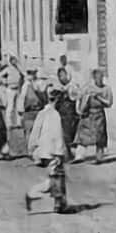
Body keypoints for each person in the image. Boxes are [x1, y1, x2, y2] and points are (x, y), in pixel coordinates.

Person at [24, 87, 74, 215]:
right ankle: (58, 203)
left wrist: (32, 148)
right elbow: (57, 136)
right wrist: (59, 153)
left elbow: (35, 131)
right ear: (57, 101)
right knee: (57, 178)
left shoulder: (42, 113)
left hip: (44, 151)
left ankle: (59, 203)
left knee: (55, 177)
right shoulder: (55, 115)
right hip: (53, 152)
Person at [75, 68, 111, 163]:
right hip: (88, 114)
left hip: (99, 114)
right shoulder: (88, 87)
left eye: (101, 77)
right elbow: (79, 97)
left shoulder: (106, 88)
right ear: (94, 78)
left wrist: (99, 97)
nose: (100, 79)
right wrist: (79, 109)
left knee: (100, 136)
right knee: (83, 135)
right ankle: (79, 156)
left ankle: (99, 157)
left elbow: (109, 103)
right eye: (98, 77)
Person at [53, 66, 79, 151]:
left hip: (70, 114)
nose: (61, 78)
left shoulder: (73, 86)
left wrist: (67, 92)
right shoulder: (57, 87)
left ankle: (71, 151)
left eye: (63, 75)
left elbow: (75, 98)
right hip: (61, 114)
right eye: (59, 76)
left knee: (70, 133)